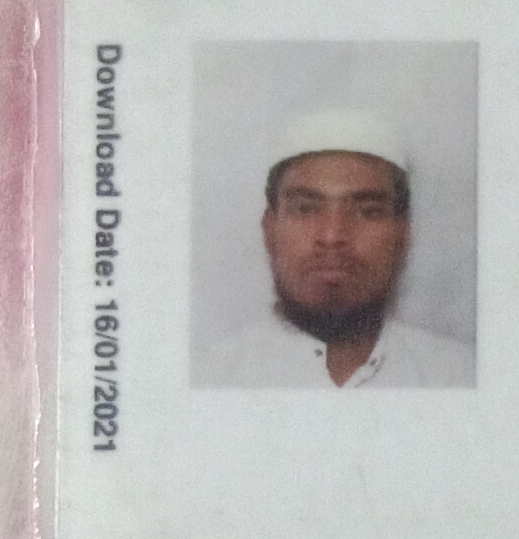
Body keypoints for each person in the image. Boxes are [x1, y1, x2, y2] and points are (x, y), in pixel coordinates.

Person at [197, 104, 474, 386]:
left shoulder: (462, 376)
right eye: (305, 209)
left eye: (368, 211)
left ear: (402, 234)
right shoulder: (207, 380)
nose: (332, 236)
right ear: (269, 229)